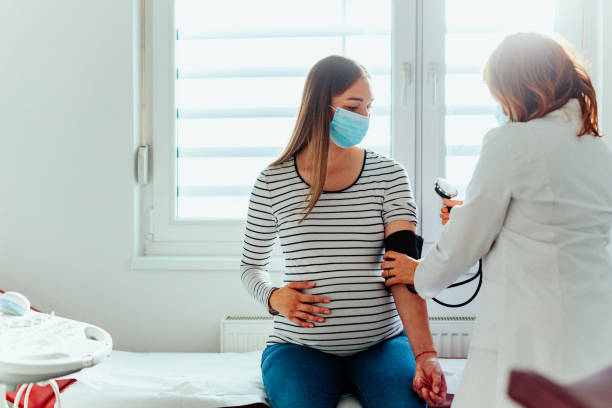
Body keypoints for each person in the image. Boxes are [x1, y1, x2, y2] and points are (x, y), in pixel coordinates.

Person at [381, 33, 612, 408]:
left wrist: (417, 273)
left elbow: (465, 246)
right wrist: (471, 215)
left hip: (532, 335)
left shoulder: (511, 142)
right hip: (596, 331)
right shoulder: (596, 147)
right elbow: (548, 223)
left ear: (516, 87)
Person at [240, 55, 446, 408]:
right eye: (354, 106)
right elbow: (250, 267)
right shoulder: (272, 181)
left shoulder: (390, 176)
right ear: (321, 107)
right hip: (299, 347)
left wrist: (425, 353)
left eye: (369, 106)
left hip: (381, 343)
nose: (364, 116)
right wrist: (276, 297)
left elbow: (403, 271)